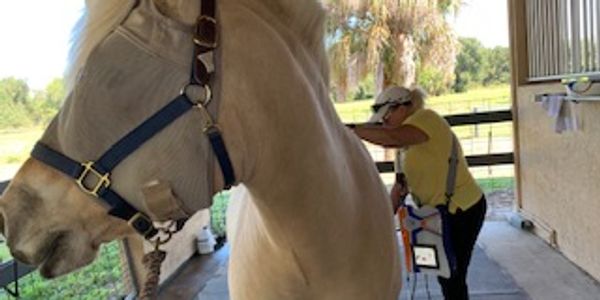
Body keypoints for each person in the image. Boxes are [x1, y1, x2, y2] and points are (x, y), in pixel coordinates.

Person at [350, 86, 487, 300]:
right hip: (435, 214)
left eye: (387, 116)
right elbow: (399, 188)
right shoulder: (403, 150)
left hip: (463, 208)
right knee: (445, 274)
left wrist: (350, 130)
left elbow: (392, 137)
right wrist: (383, 220)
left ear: (404, 107)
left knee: (452, 275)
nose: (384, 123)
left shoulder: (426, 118)